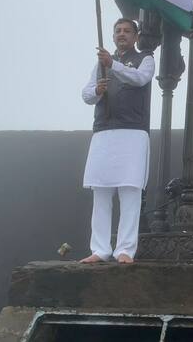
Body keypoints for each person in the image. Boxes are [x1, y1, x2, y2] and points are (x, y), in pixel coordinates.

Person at [79, 18, 155, 264]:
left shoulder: (145, 58)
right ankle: (100, 249)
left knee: (129, 191)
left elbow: (139, 79)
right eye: (118, 31)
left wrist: (113, 65)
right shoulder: (100, 64)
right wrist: (98, 91)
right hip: (103, 131)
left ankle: (125, 250)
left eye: (127, 31)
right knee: (100, 191)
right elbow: (86, 94)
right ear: (113, 36)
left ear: (135, 36)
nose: (122, 35)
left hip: (132, 132)